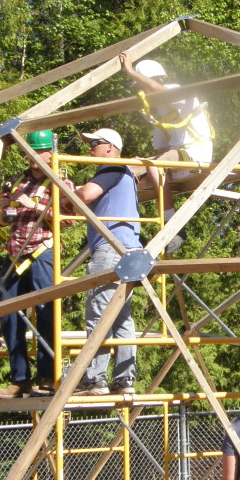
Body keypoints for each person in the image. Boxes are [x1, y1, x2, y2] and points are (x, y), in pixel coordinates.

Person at [0, 129, 72, 400]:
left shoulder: (60, 182)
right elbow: (3, 220)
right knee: (8, 314)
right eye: (29, 152)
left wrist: (35, 207)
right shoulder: (18, 182)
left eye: (37, 152)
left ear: (51, 152)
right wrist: (4, 209)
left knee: (47, 312)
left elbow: (68, 220)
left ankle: (48, 377)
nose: (32, 158)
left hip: (42, 253)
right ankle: (20, 380)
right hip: (15, 254)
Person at [71, 127, 142, 396]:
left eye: (95, 144)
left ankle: (94, 379)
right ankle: (124, 381)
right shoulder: (125, 174)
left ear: (110, 147)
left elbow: (86, 195)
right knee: (122, 319)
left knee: (99, 314)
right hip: (130, 250)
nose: (90, 149)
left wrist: (69, 191)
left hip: (111, 249)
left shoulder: (112, 167)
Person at [119, 52, 213, 254]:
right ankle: (129, 231)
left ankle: (173, 227)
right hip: (176, 156)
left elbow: (160, 90)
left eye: (139, 84)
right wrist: (141, 165)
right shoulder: (160, 112)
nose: (138, 90)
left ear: (149, 81)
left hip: (196, 152)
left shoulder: (179, 93)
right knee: (126, 171)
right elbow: (162, 149)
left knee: (155, 166)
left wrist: (130, 71)